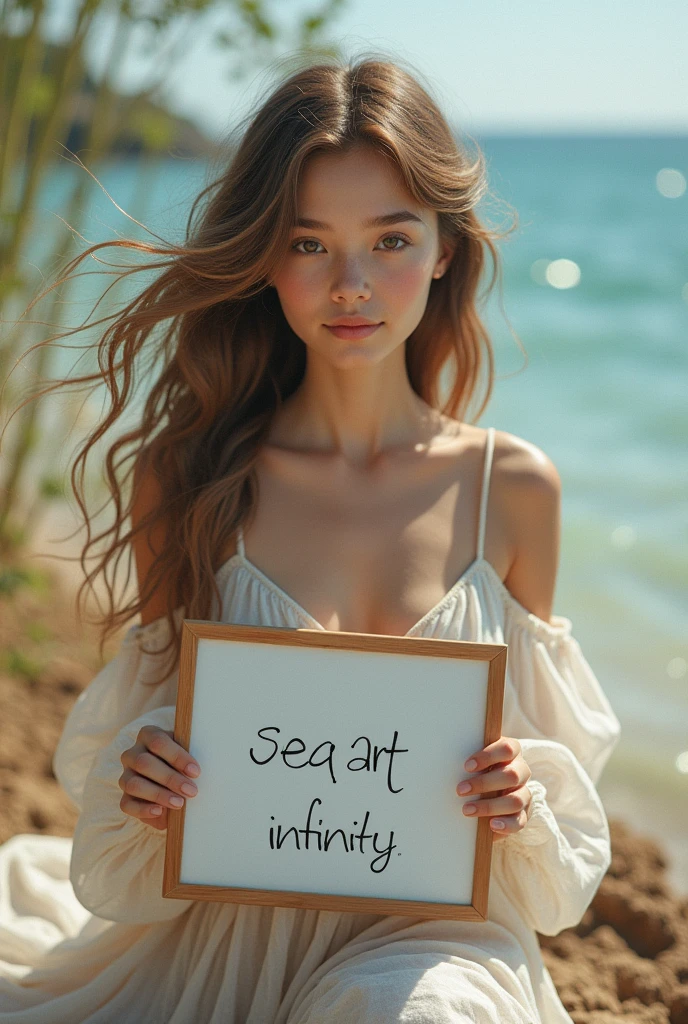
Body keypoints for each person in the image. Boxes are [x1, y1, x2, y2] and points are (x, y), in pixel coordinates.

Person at [0, 56, 621, 1023]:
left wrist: (519, 792)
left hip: (439, 944)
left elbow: (551, 827)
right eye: (309, 243)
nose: (352, 285)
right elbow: (145, 753)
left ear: (445, 249)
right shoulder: (192, 477)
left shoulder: (516, 490)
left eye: (390, 239)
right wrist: (147, 771)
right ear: (264, 256)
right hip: (229, 937)